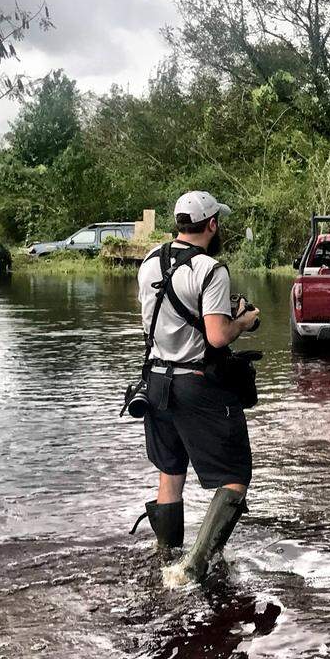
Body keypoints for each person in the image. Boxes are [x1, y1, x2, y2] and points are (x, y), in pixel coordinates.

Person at [131, 190, 261, 581]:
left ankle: (164, 557)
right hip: (196, 385)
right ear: (213, 225)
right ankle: (192, 568)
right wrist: (246, 320)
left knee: (171, 473)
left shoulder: (149, 262)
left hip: (153, 381)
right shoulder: (211, 269)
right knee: (235, 475)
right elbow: (218, 336)